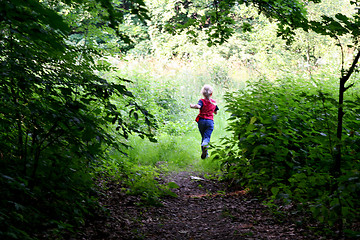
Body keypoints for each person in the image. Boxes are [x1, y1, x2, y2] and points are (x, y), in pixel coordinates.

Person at [190, 84, 219, 159]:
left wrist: (192, 106)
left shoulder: (201, 101)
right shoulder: (214, 102)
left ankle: (205, 154)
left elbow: (198, 106)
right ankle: (205, 149)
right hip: (209, 122)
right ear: (211, 93)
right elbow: (215, 112)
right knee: (206, 138)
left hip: (201, 121)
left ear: (202, 93)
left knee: (203, 137)